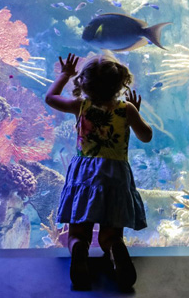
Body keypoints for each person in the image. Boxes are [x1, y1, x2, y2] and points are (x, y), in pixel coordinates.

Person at [44, 53, 152, 291]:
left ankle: (79, 248)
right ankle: (114, 247)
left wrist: (64, 74)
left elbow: (50, 98)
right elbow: (146, 136)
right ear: (120, 84)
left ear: (84, 82)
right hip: (115, 175)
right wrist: (136, 114)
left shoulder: (80, 106)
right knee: (111, 233)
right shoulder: (127, 109)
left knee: (78, 232)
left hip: (85, 173)